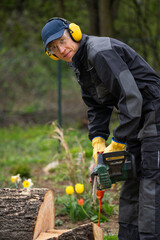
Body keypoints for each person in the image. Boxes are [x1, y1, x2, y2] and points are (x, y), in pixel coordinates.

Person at [41, 17, 160, 240]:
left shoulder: (99, 52)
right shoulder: (80, 62)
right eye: (54, 48)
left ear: (74, 33)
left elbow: (131, 96)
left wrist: (118, 141)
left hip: (154, 111)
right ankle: (127, 235)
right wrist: (98, 140)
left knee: (150, 179)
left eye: (62, 41)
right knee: (131, 177)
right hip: (136, 117)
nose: (61, 49)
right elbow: (97, 104)